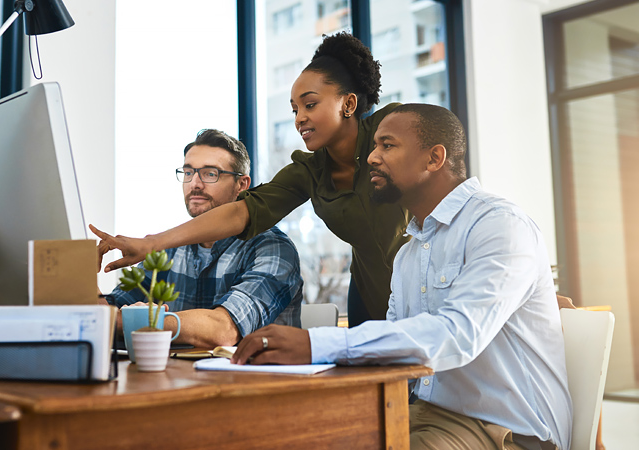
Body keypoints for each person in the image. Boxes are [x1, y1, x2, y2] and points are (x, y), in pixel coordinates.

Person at [231, 104, 572, 450]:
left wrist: (315, 344)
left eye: (387, 146)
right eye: (374, 146)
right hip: (422, 413)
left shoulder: (499, 225)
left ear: (434, 158)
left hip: (506, 431)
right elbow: (397, 354)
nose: (371, 158)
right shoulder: (409, 254)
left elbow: (458, 334)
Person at [91, 32, 410, 327]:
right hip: (371, 290)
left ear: (349, 104)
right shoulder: (308, 171)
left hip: (424, 279)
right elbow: (245, 211)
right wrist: (150, 244)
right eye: (294, 109)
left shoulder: (393, 129)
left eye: (310, 105)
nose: (299, 118)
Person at [93, 129, 303, 349]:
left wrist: (137, 321)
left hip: (256, 380)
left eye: (210, 174)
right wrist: (86, 282)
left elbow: (224, 331)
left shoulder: (273, 248)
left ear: (242, 185)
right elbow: (110, 314)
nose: (195, 184)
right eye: (188, 173)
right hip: (181, 379)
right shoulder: (168, 250)